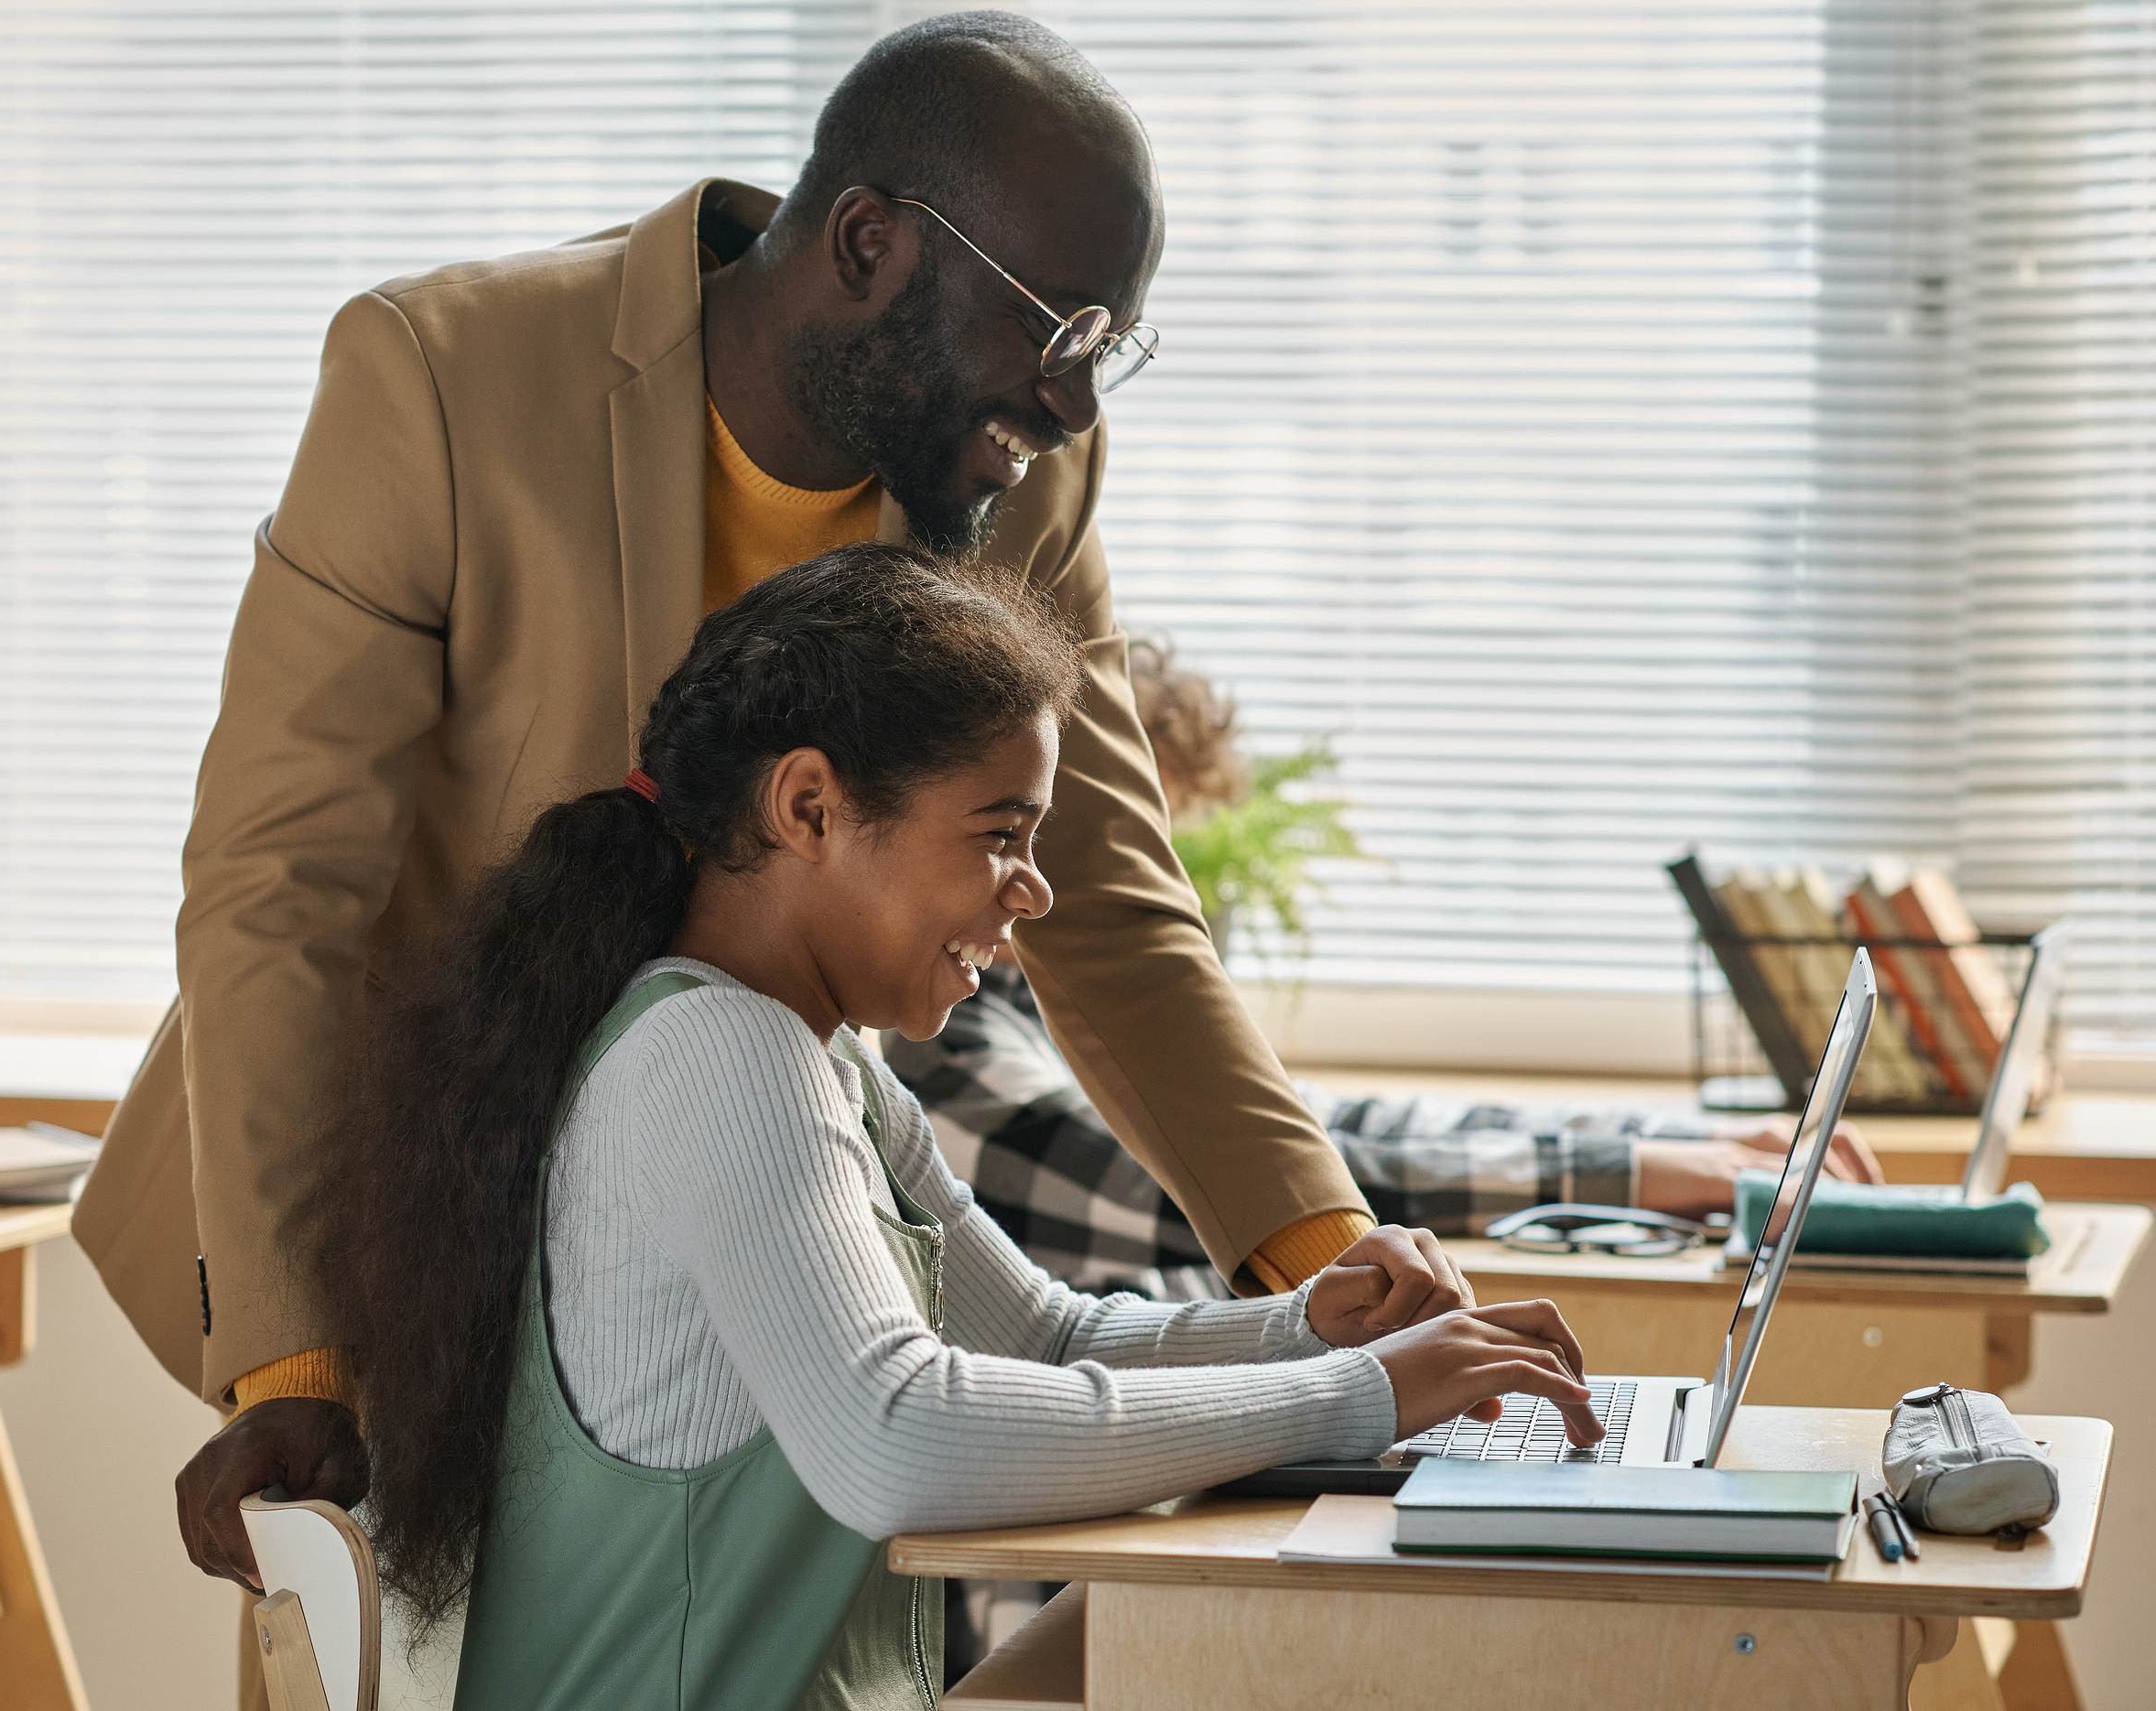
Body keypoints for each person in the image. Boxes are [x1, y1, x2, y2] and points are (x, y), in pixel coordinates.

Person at [85, 14, 1458, 1606]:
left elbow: (1117, 907)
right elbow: (279, 887)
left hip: (732, 1211)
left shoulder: (1019, 479)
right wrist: (299, 1351)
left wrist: (1331, 1265)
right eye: (1059, 329)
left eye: (1107, 350)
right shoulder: (442, 377)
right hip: (415, 1197)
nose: (1074, 405)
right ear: (871, 243)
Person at [315, 544, 1601, 1706]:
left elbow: (1049, 1336)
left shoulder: (827, 1063)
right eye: (1001, 834)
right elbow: (896, 1438)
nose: (1033, 888)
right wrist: (1356, 1395)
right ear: (809, 808)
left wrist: (1308, 1326)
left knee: (1193, 1639)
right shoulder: (715, 1055)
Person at [888, 641, 1886, 1299]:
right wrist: (1653, 1175)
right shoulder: (936, 1050)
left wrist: (1679, 1140)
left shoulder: (1022, 1001)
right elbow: (1221, 1185)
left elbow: (1321, 1126)